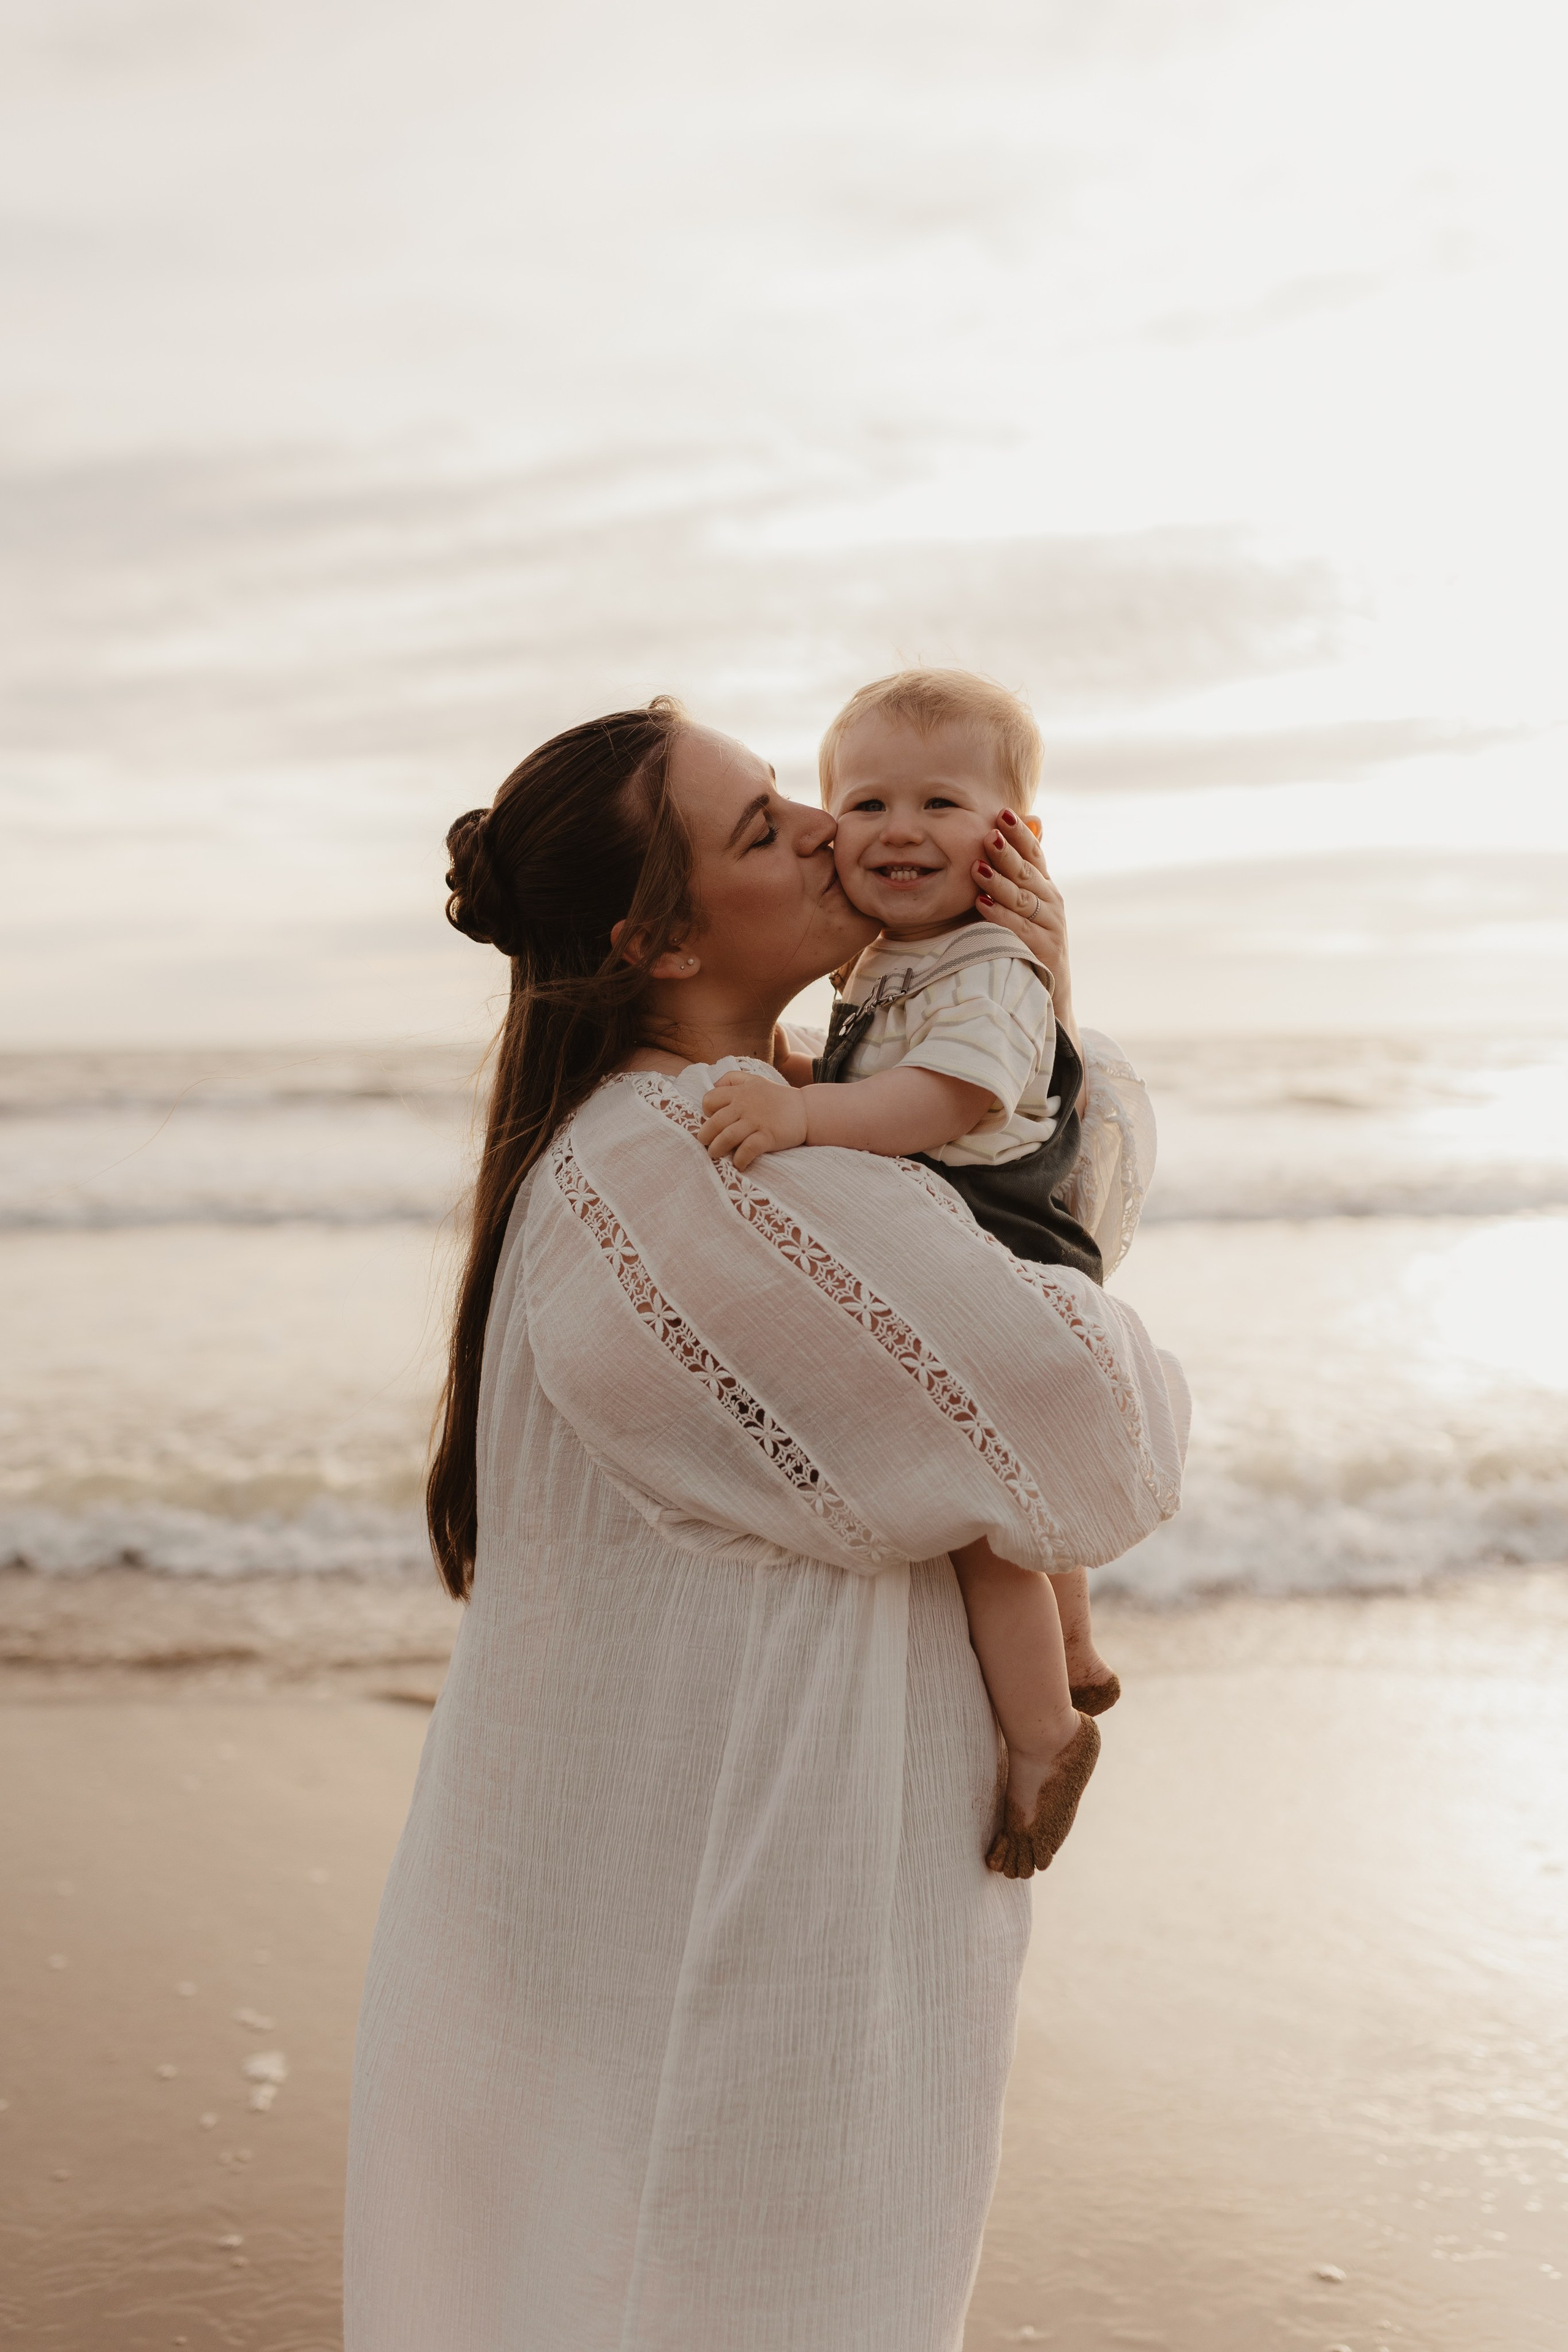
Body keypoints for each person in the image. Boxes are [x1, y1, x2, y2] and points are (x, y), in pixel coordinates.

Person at [344, 698, 1188, 2352]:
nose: (824, 827)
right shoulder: (703, 1174)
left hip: (679, 1935)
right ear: (654, 940)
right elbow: (1097, 1432)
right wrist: (1009, 1073)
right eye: (758, 828)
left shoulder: (706, 1140)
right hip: (745, 1959)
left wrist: (1020, 1019)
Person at [698, 669, 1137, 1881]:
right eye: (866, 800)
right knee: (1020, 1476)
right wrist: (785, 1064)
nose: (897, 829)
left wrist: (803, 1118)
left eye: (940, 803)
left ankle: (1044, 1732)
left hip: (1003, 1246)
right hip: (994, 1248)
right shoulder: (896, 962)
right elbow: (879, 1061)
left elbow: (939, 1096)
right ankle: (1079, 1645)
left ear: (1014, 839)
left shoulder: (986, 967)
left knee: (981, 1523)